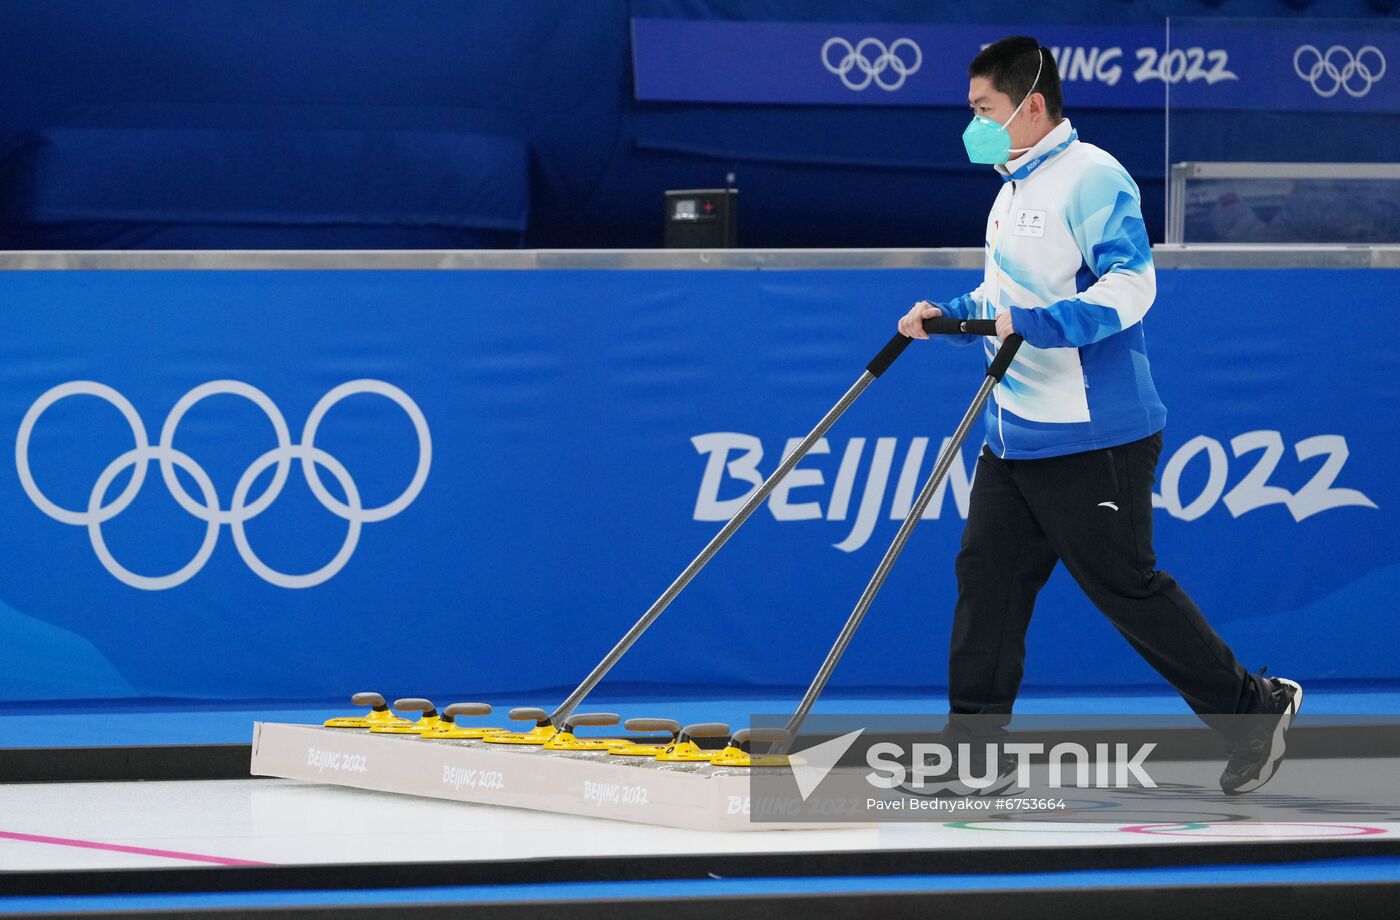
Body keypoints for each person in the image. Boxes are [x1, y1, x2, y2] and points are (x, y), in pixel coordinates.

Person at [896, 35, 1300, 796]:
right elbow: (1004, 298)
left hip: (1094, 433)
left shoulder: (1093, 176)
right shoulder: (1010, 186)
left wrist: (1041, 324)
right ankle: (974, 761)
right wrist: (947, 314)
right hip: (1012, 436)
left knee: (1127, 589)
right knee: (987, 583)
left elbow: (1131, 287)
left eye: (982, 110)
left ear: (1031, 105)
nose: (973, 125)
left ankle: (1256, 709)